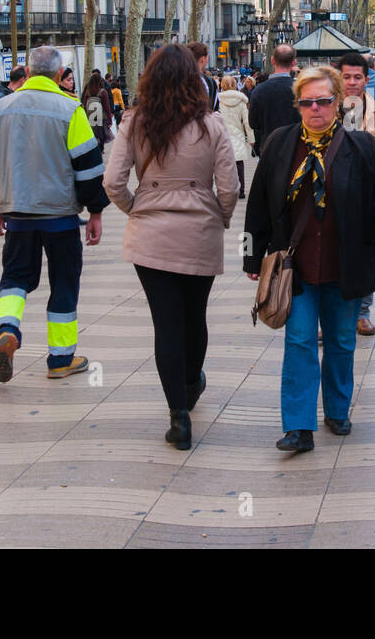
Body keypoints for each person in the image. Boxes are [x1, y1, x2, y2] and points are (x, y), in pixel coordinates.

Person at [243, 65, 375, 453]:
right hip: (295, 267)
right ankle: (298, 425)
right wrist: (252, 257)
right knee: (298, 340)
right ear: (297, 105)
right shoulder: (280, 144)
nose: (315, 109)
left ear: (338, 103)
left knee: (341, 341)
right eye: (307, 102)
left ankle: (336, 409)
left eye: (323, 101)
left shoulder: (361, 147)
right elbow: (258, 205)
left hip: (345, 262)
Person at [104, 45, 237, 450]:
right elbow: (230, 188)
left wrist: (138, 209)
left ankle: (178, 417)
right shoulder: (212, 125)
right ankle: (191, 381)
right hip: (199, 230)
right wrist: (220, 217)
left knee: (166, 323)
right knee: (195, 316)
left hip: (150, 235)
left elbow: (112, 182)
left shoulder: (134, 122)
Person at [0, 46, 108, 382]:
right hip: (59, 217)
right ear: (60, 76)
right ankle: (60, 359)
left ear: (27, 73)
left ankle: (7, 328)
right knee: (63, 282)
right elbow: (88, 168)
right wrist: (96, 211)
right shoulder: (69, 109)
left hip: (17, 215)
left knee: (15, 278)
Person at [339, 51, 375, 336]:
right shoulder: (323, 110)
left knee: (367, 256)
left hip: (367, 199)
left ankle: (362, 312)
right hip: (330, 197)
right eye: (346, 76)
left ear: (366, 79)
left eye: (357, 77)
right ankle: (329, 317)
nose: (352, 82)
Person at [248, 44, 298, 154]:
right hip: (296, 147)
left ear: (272, 60)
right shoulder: (301, 89)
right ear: (293, 62)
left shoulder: (259, 90)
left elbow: (253, 123)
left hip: (269, 147)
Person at [216, 73, 255, 198]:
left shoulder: (217, 100)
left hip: (222, 137)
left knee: (222, 167)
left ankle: (224, 191)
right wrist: (251, 139)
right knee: (239, 165)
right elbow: (247, 122)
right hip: (237, 136)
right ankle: (242, 190)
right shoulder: (241, 101)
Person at [81, 70, 114, 152]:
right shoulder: (103, 92)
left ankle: (95, 150)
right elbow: (107, 107)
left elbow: (84, 105)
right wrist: (110, 120)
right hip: (101, 119)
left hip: (90, 118)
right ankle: (100, 149)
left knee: (92, 135)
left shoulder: (87, 92)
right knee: (101, 136)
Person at [186, 42, 220, 110]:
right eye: (207, 57)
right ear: (203, 59)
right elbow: (215, 108)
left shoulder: (178, 79)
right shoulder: (210, 83)